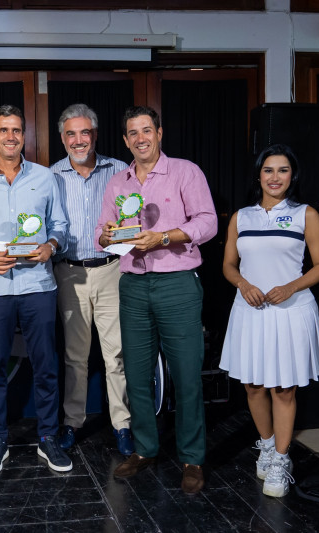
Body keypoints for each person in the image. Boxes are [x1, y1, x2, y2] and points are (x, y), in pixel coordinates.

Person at [95, 106, 217, 494]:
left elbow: (208, 222)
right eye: (132, 133)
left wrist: (164, 237)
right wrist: (107, 236)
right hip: (132, 285)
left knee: (186, 375)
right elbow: (101, 232)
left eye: (146, 130)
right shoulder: (118, 181)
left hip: (177, 283)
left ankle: (192, 457)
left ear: (159, 133)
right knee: (136, 372)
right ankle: (145, 449)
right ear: (126, 139)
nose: (140, 138)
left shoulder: (185, 171)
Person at [0, 104, 71, 475]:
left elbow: (61, 225)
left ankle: (48, 438)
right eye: (3, 130)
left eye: (17, 130)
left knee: (46, 365)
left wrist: (50, 246)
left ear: (24, 135)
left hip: (38, 285)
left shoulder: (44, 177)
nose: (10, 136)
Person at [219, 144, 319, 498]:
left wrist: (291, 286)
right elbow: (228, 265)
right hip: (249, 311)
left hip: (291, 312)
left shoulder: (306, 215)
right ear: (258, 175)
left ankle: (282, 460)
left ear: (292, 176)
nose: (275, 177)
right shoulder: (242, 216)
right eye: (269, 170)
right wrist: (244, 285)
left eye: (283, 170)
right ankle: (267, 446)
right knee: (253, 385)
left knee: (283, 389)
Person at [49, 103, 133, 455]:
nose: (79, 140)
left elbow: (134, 220)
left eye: (85, 133)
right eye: (71, 133)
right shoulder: (50, 176)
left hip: (112, 269)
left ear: (95, 135)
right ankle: (72, 423)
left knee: (116, 355)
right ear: (63, 138)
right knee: (75, 357)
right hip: (69, 272)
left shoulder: (120, 170)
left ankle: (123, 425)